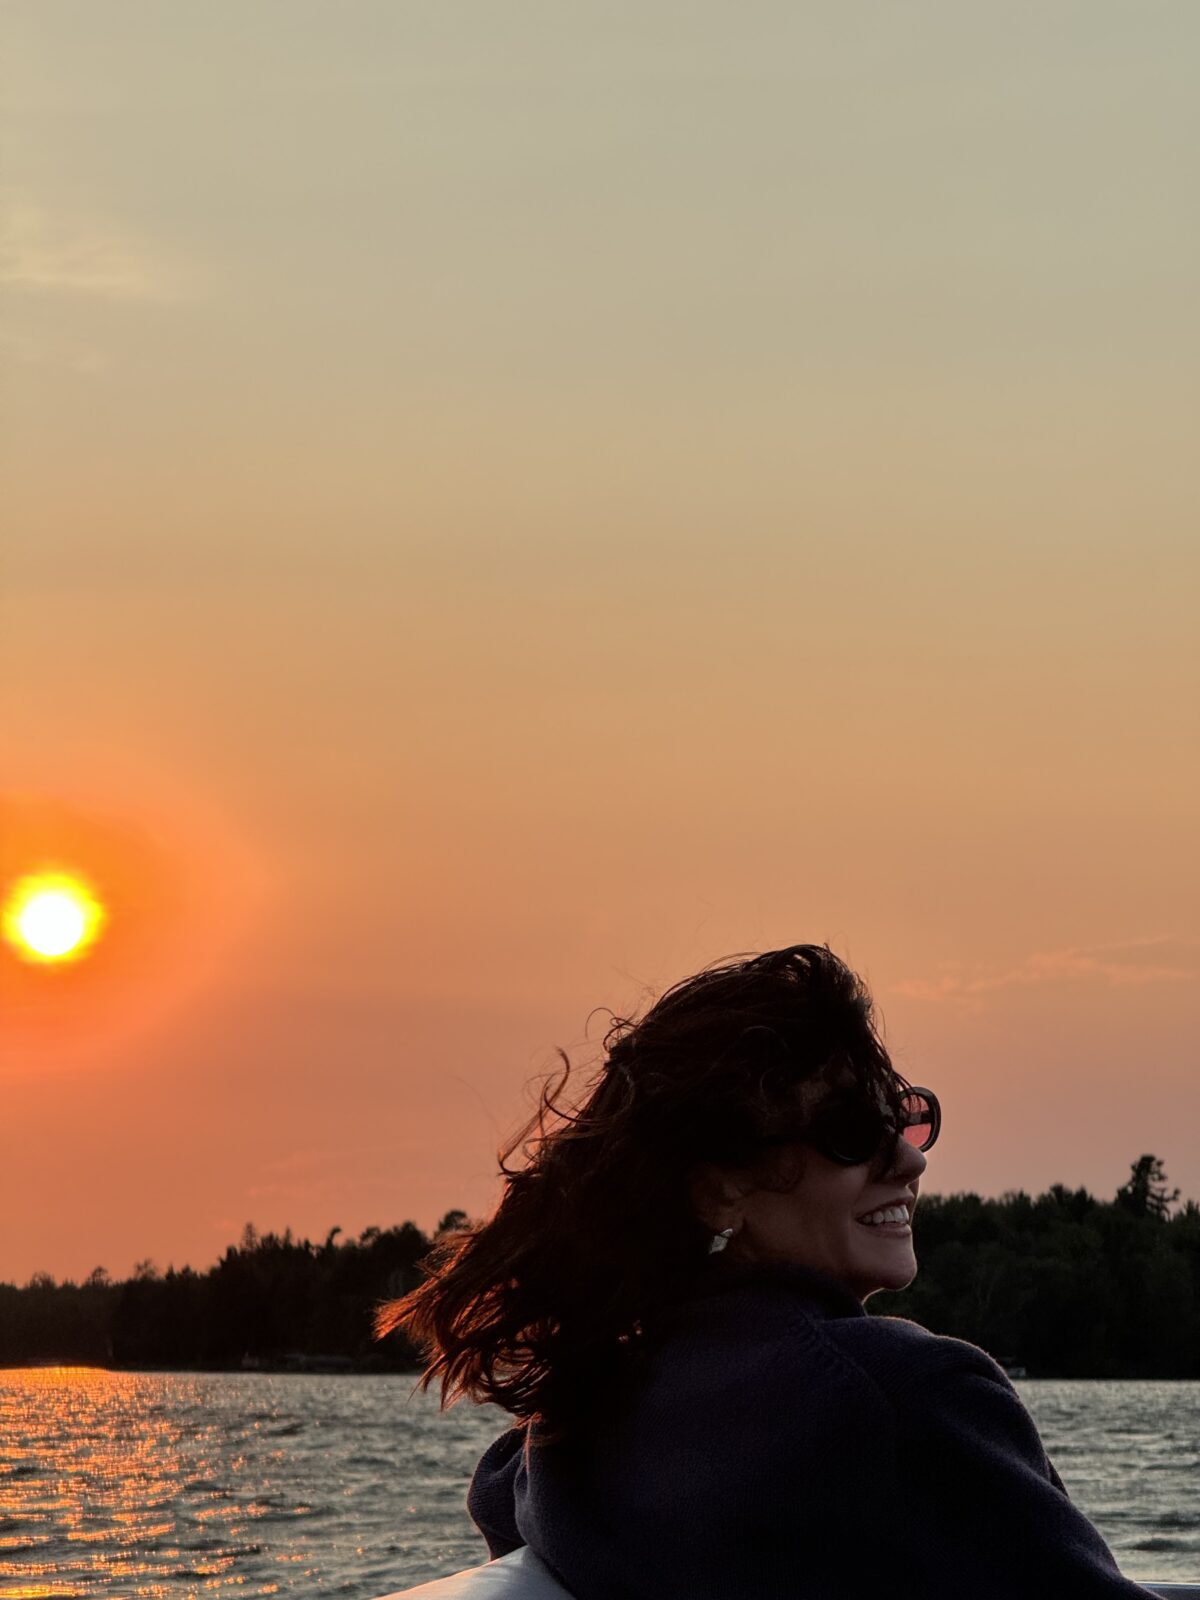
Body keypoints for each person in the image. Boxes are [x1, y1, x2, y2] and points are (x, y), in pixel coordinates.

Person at [378, 944, 1161, 1599]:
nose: (911, 1157)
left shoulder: (575, 1428)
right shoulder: (909, 1399)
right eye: (852, 1128)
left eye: (906, 1114)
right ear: (720, 1185)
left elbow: (502, 1490)